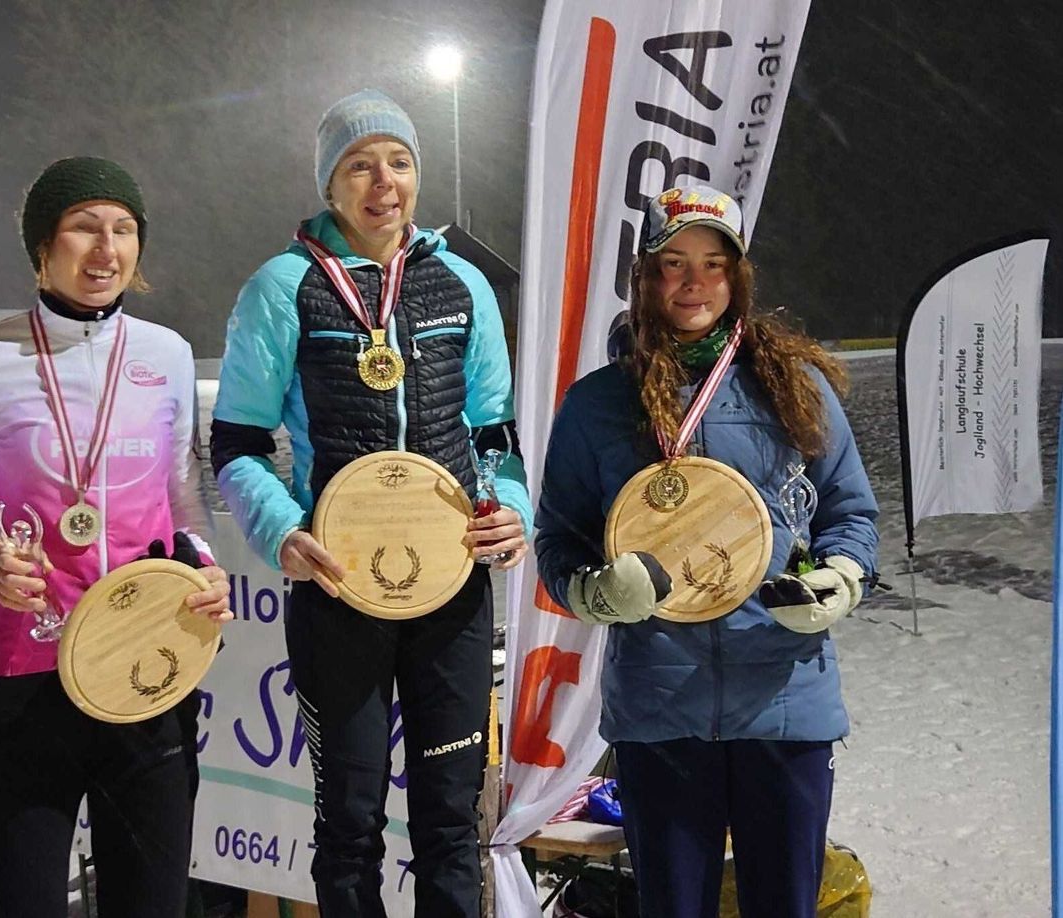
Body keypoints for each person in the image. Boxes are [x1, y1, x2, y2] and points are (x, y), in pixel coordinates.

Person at [210, 89, 531, 917]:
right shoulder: (281, 288)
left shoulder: (461, 285)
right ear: (329, 183)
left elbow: (495, 436)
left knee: (451, 823)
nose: (382, 182)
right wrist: (281, 528)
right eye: (359, 164)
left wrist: (511, 511)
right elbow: (237, 448)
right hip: (338, 589)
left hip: (451, 594)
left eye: (399, 161)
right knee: (349, 823)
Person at [0, 156, 232, 918]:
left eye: (124, 229)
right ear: (44, 244)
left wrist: (204, 565)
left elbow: (185, 506)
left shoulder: (166, 355)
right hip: (28, 680)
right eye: (84, 228)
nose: (106, 248)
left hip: (146, 670)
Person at [535, 184, 879, 918]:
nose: (694, 283)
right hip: (662, 711)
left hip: (784, 701)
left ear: (739, 276)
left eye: (714, 264)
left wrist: (840, 580)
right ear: (645, 276)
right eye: (674, 263)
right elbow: (557, 540)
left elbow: (852, 514)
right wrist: (594, 592)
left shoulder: (798, 389)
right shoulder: (598, 404)